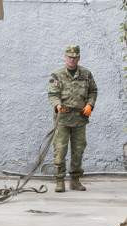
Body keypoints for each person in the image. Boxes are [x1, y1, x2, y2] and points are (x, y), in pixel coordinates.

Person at [47, 45, 97, 192]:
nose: (72, 60)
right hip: (62, 119)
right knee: (60, 149)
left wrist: (90, 105)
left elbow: (93, 91)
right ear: (65, 57)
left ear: (79, 58)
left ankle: (75, 180)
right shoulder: (57, 75)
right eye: (70, 57)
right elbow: (53, 94)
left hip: (80, 119)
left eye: (75, 57)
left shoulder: (86, 74)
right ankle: (59, 180)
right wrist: (57, 106)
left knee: (78, 149)